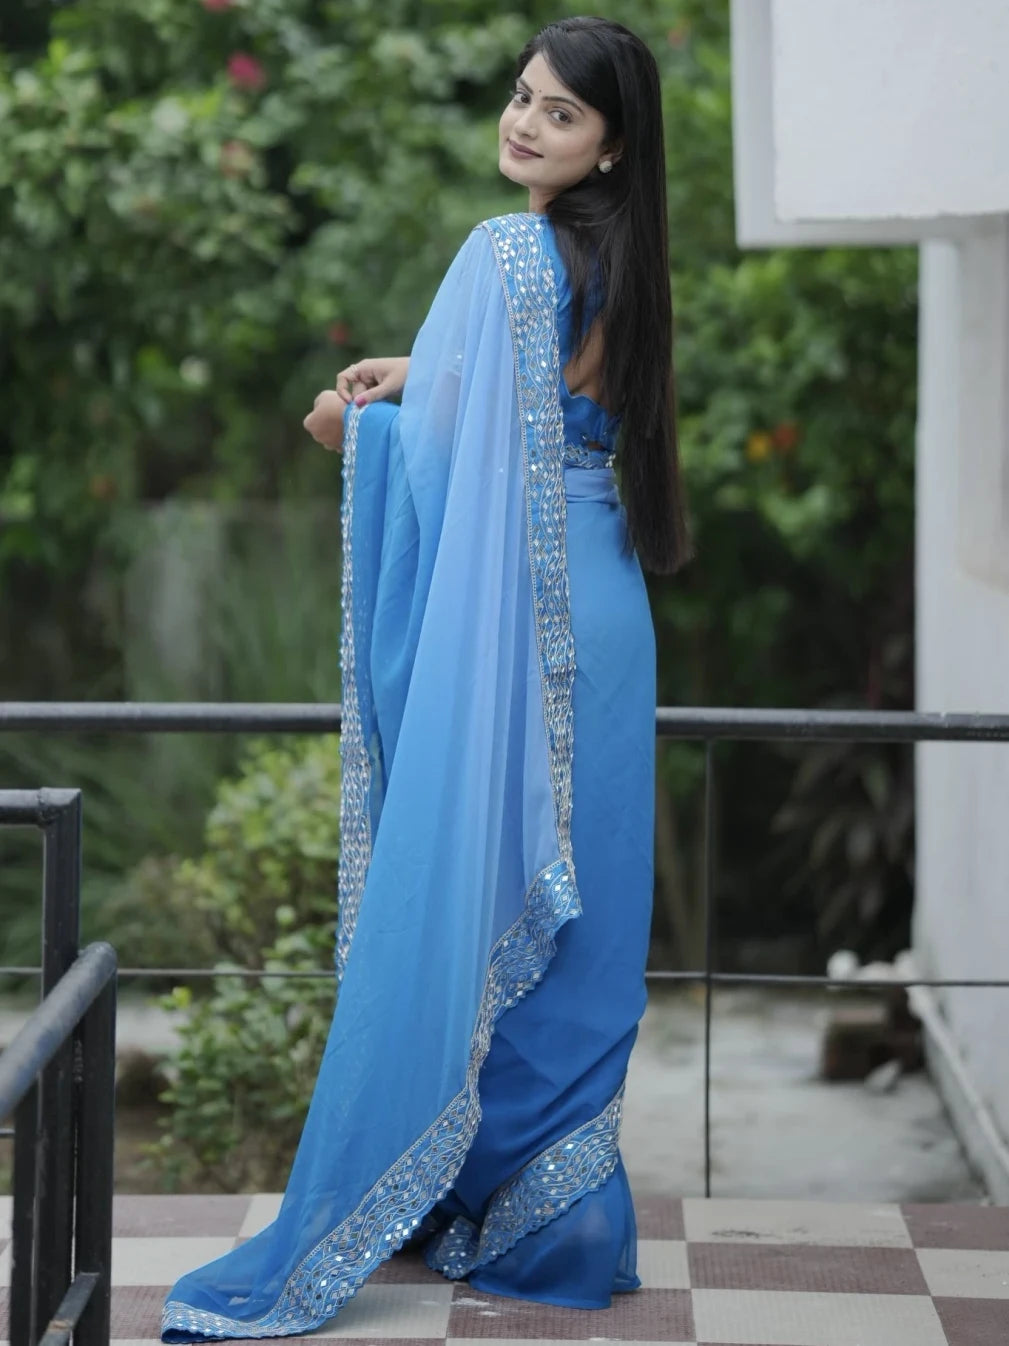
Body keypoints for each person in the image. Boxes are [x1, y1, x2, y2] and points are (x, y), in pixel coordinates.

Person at [162, 15, 688, 1342]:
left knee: (489, 870)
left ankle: (475, 1203)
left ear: (608, 139)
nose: (523, 123)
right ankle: (561, 1222)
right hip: (605, 599)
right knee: (581, 905)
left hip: (523, 598)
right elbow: (544, 410)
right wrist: (420, 379)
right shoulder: (624, 255)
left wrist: (364, 425)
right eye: (520, 97)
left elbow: (463, 451)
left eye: (559, 113)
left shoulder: (509, 248)